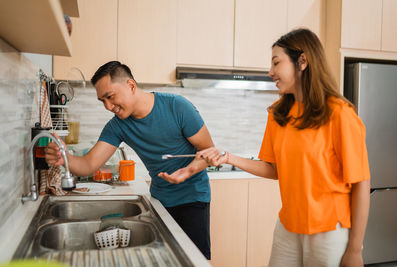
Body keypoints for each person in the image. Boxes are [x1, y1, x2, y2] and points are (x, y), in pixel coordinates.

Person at [198, 28, 370, 267]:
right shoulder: (278, 114)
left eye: (276, 63)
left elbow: (361, 183)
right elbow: (273, 168)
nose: (271, 72)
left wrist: (355, 249)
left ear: (303, 61)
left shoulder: (340, 114)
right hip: (288, 228)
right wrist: (228, 158)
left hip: (329, 231)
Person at [45, 61, 214, 259]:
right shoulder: (117, 126)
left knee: (194, 260)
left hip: (192, 199)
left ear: (131, 86)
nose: (108, 106)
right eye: (102, 101)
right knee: (166, 259)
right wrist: (64, 157)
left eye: (110, 97)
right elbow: (89, 165)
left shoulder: (177, 107)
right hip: (160, 199)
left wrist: (187, 172)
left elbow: (208, 150)